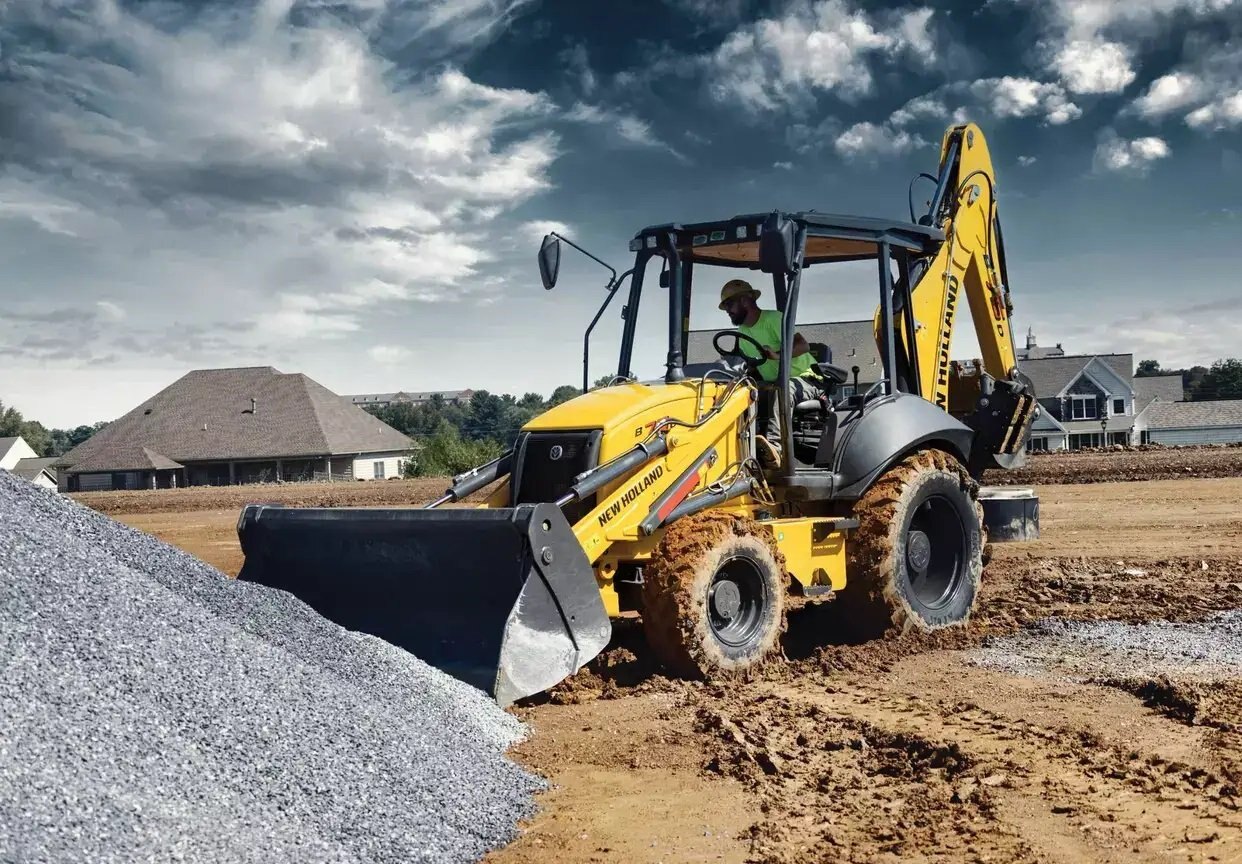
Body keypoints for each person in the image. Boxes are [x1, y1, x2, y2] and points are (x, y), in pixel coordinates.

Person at [717, 278, 828, 467]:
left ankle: (775, 449)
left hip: (807, 379)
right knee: (740, 393)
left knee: (783, 389)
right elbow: (752, 366)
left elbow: (803, 345)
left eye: (729, 304)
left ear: (745, 300)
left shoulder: (773, 319)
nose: (727, 310)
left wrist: (777, 355)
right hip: (774, 382)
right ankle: (737, 449)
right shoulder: (743, 333)